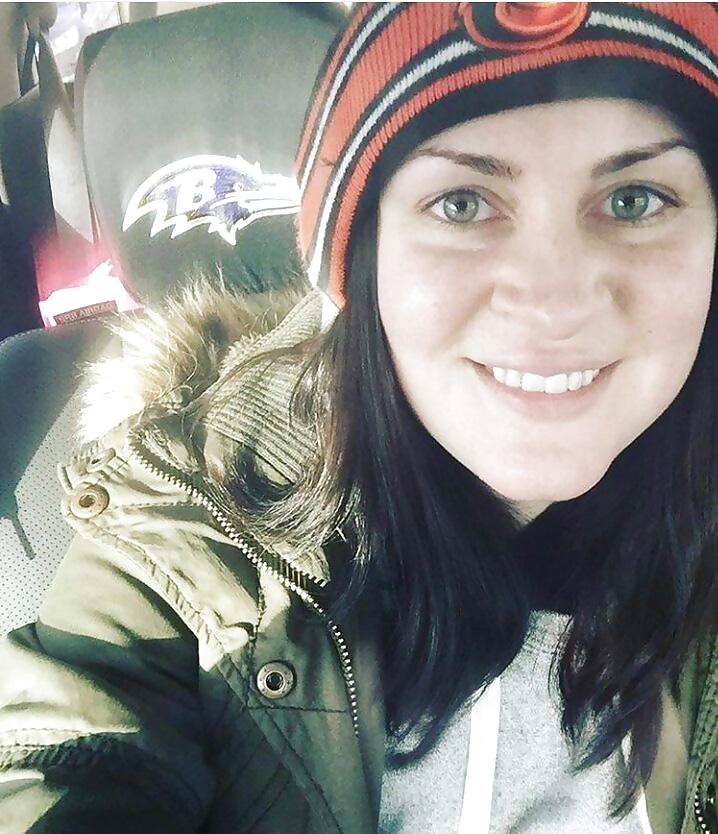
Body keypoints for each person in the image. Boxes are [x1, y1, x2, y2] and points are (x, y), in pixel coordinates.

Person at [1, 3, 716, 833]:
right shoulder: (188, 531)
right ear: (359, 263)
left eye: (634, 199)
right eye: (462, 204)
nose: (555, 303)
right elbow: (72, 758)